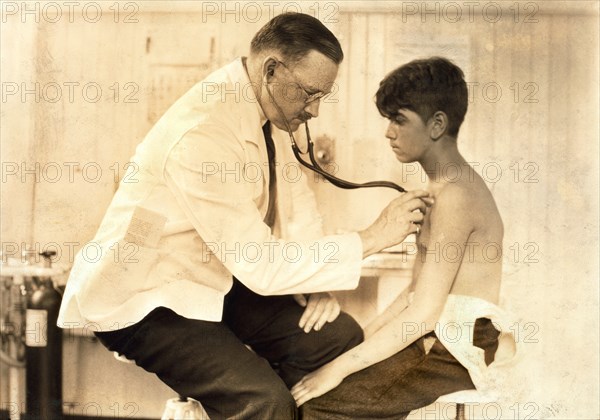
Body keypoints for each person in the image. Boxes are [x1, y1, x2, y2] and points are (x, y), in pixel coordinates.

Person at [57, 13, 431, 419]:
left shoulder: (265, 109)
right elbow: (260, 267)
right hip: (145, 294)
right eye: (309, 93)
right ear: (271, 69)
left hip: (211, 274)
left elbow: (297, 204)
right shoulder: (203, 133)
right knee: (262, 401)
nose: (316, 110)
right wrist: (372, 237)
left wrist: (319, 285)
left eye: (322, 95)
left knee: (334, 337)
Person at [293, 57, 518, 419]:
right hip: (436, 336)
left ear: (437, 125)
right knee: (320, 378)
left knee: (322, 405)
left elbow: (425, 314)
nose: (388, 132)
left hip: (457, 346)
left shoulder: (458, 196)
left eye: (398, 119)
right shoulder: (440, 188)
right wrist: (355, 346)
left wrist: (337, 369)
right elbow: (415, 295)